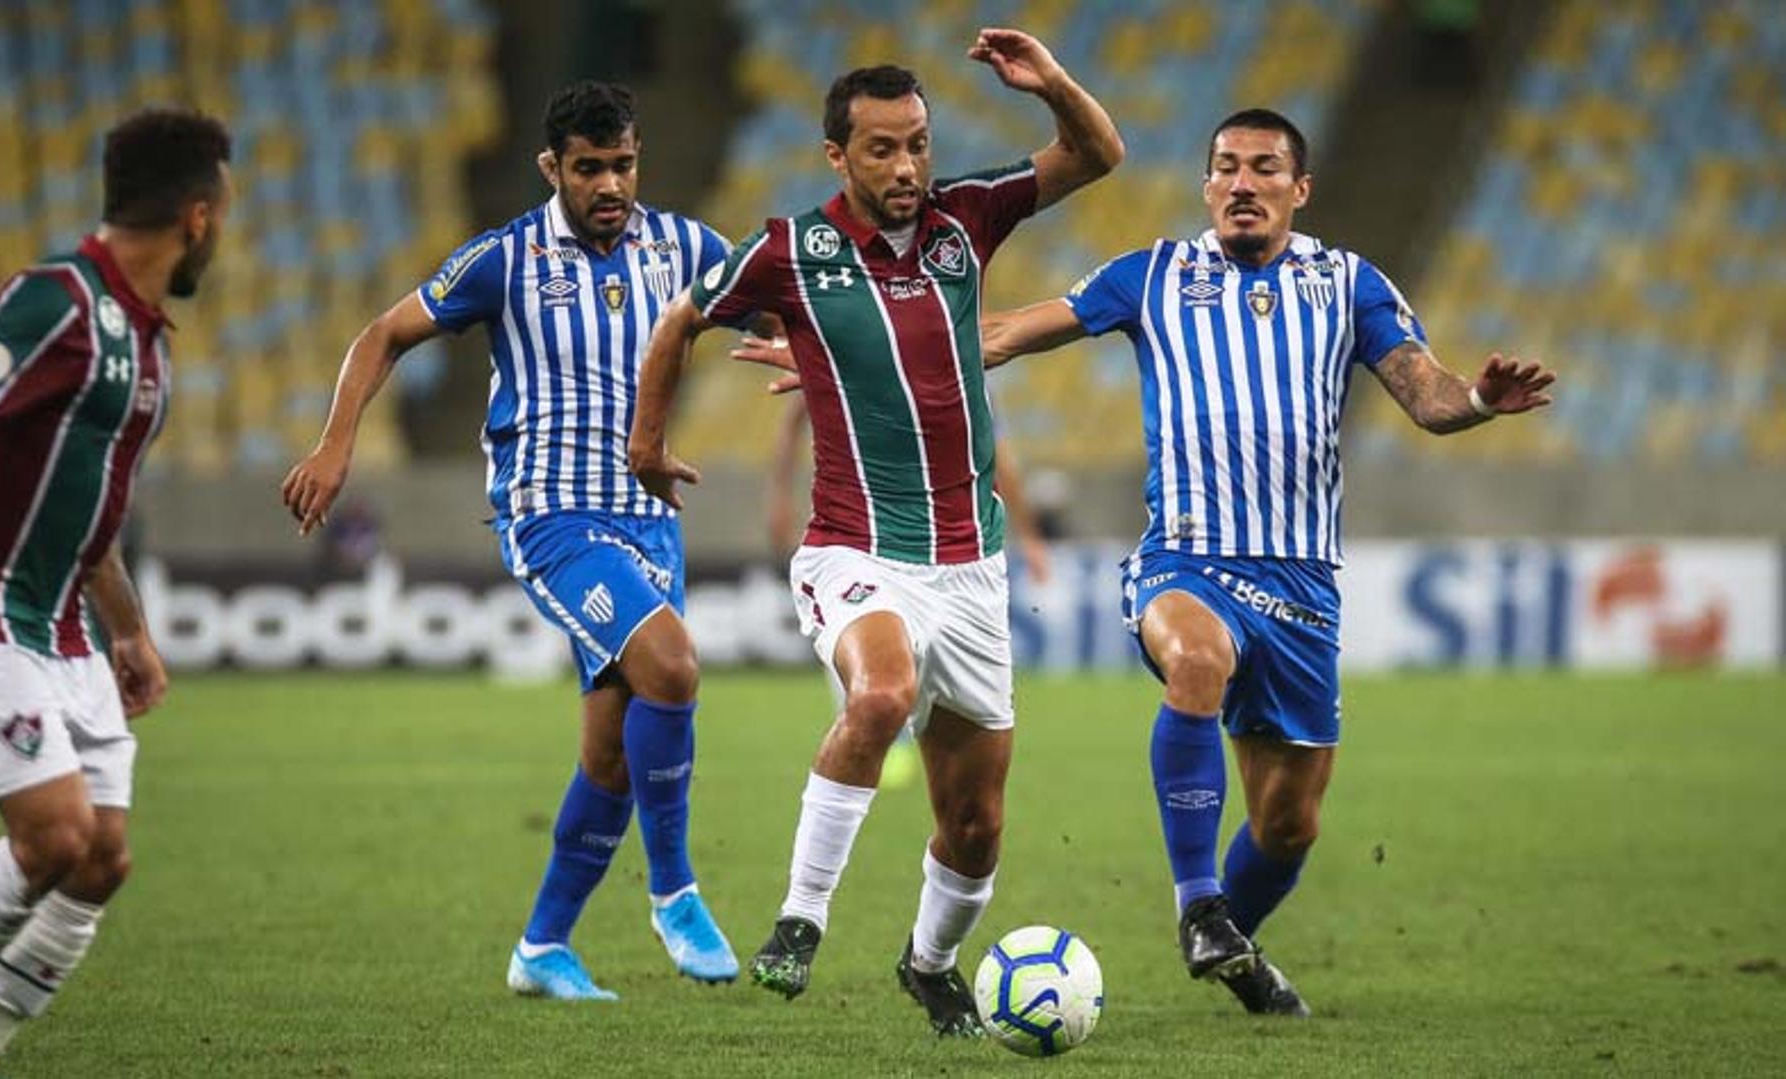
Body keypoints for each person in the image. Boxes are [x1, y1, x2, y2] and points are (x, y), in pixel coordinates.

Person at [977, 108, 1556, 1014]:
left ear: (1300, 188)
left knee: (1289, 824)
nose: (1242, 182)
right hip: (1187, 560)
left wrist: (1481, 396)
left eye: (1264, 167)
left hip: (1302, 584)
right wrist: (859, 357)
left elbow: (1429, 396)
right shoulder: (1153, 275)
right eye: (1226, 167)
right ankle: (1197, 899)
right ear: (1207, 185)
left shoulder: (1350, 283)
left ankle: (1230, 947)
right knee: (1196, 663)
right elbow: (1007, 330)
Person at [629, 30, 1122, 1035]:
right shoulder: (788, 251)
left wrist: (1053, 84)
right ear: (836, 157)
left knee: (976, 823)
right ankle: (797, 923)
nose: (907, 168)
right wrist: (647, 445)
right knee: (884, 690)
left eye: (918, 144)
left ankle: (929, 960)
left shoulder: (965, 220)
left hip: (971, 567)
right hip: (855, 548)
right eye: (884, 149)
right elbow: (679, 320)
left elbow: (1098, 156)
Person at [280, 81, 740, 1001]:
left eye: (623, 164)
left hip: (652, 516)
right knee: (675, 667)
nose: (610, 184)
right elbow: (384, 334)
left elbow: (779, 310)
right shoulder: (507, 259)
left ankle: (541, 948)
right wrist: (337, 443)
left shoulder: (686, 247)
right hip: (553, 516)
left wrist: (798, 346)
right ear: (551, 168)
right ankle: (676, 889)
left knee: (612, 753)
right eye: (589, 168)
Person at [0, 108, 232, 1079]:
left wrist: (132, 631)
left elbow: (88, 516)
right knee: (55, 833)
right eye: (224, 212)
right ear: (199, 216)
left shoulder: (147, 344)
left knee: (102, 858)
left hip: (61, 628)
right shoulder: (57, 299)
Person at [763, 396, 1054, 791]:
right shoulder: (847, 343)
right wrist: (780, 496)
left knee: (929, 672)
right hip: (854, 535)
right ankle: (877, 730)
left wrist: (1030, 536)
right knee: (859, 642)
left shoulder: (962, 364)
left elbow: (996, 454)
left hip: (941, 547)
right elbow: (794, 414)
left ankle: (906, 726)